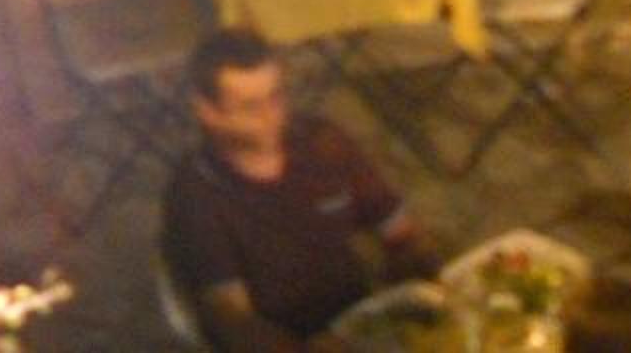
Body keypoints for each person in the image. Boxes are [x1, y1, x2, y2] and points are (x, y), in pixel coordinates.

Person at [162, 27, 438, 353]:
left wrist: (418, 274)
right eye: (251, 106)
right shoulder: (196, 194)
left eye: (275, 96)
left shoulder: (322, 143)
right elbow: (232, 319)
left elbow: (397, 228)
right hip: (283, 341)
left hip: (360, 322)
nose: (271, 116)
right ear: (208, 112)